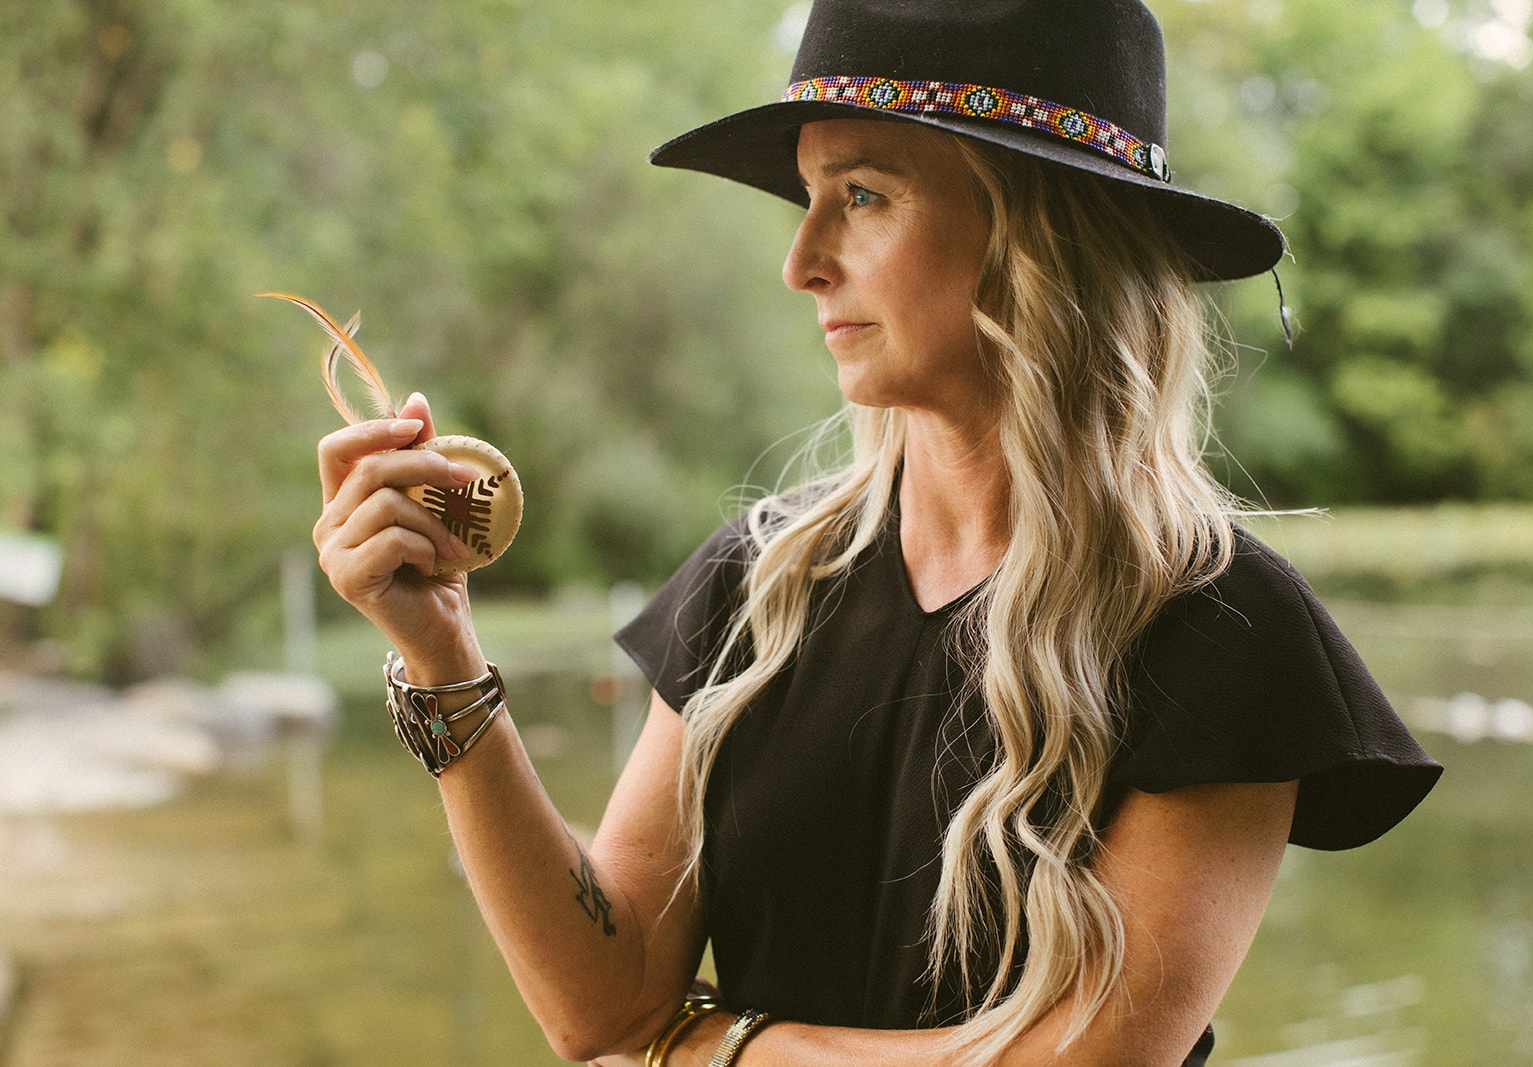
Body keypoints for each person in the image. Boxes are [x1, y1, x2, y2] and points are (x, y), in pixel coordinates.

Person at [312, 0, 1442, 1063]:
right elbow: (603, 1002)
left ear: (1039, 236)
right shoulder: (755, 582)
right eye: (808, 197)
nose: (800, 261)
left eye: (860, 194)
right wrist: (441, 653)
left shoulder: (1219, 627)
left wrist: (724, 1048)